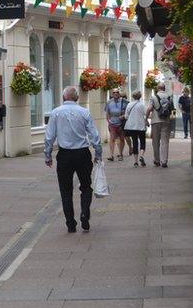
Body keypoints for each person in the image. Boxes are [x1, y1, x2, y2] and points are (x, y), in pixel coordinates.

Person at [44, 86, 102, 233]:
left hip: (64, 155)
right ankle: (85, 213)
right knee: (86, 186)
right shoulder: (84, 112)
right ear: (77, 98)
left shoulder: (56, 113)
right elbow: (94, 135)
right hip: (82, 154)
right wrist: (98, 152)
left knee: (65, 190)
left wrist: (48, 154)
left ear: (64, 98)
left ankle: (70, 223)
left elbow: (50, 136)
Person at [146, 83, 175, 167]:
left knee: (155, 141)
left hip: (155, 121)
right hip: (166, 121)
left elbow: (150, 108)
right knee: (165, 141)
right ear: (164, 88)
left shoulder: (154, 97)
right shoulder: (169, 97)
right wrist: (171, 118)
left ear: (157, 88)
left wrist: (146, 119)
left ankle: (157, 160)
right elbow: (173, 110)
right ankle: (164, 161)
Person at [123, 90, 148, 167]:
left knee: (135, 142)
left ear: (133, 96)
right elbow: (146, 114)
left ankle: (135, 161)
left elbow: (126, 116)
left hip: (132, 127)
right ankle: (141, 156)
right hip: (141, 127)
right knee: (142, 142)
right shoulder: (142, 105)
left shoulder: (129, 105)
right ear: (140, 96)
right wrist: (146, 120)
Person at [103, 90, 129, 162]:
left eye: (117, 92)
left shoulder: (124, 102)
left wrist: (123, 116)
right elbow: (107, 113)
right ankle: (111, 155)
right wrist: (108, 121)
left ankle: (121, 154)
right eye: (114, 93)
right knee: (112, 139)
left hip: (121, 123)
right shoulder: (109, 102)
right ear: (112, 94)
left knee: (121, 139)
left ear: (119, 94)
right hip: (112, 123)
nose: (115, 94)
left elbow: (128, 112)